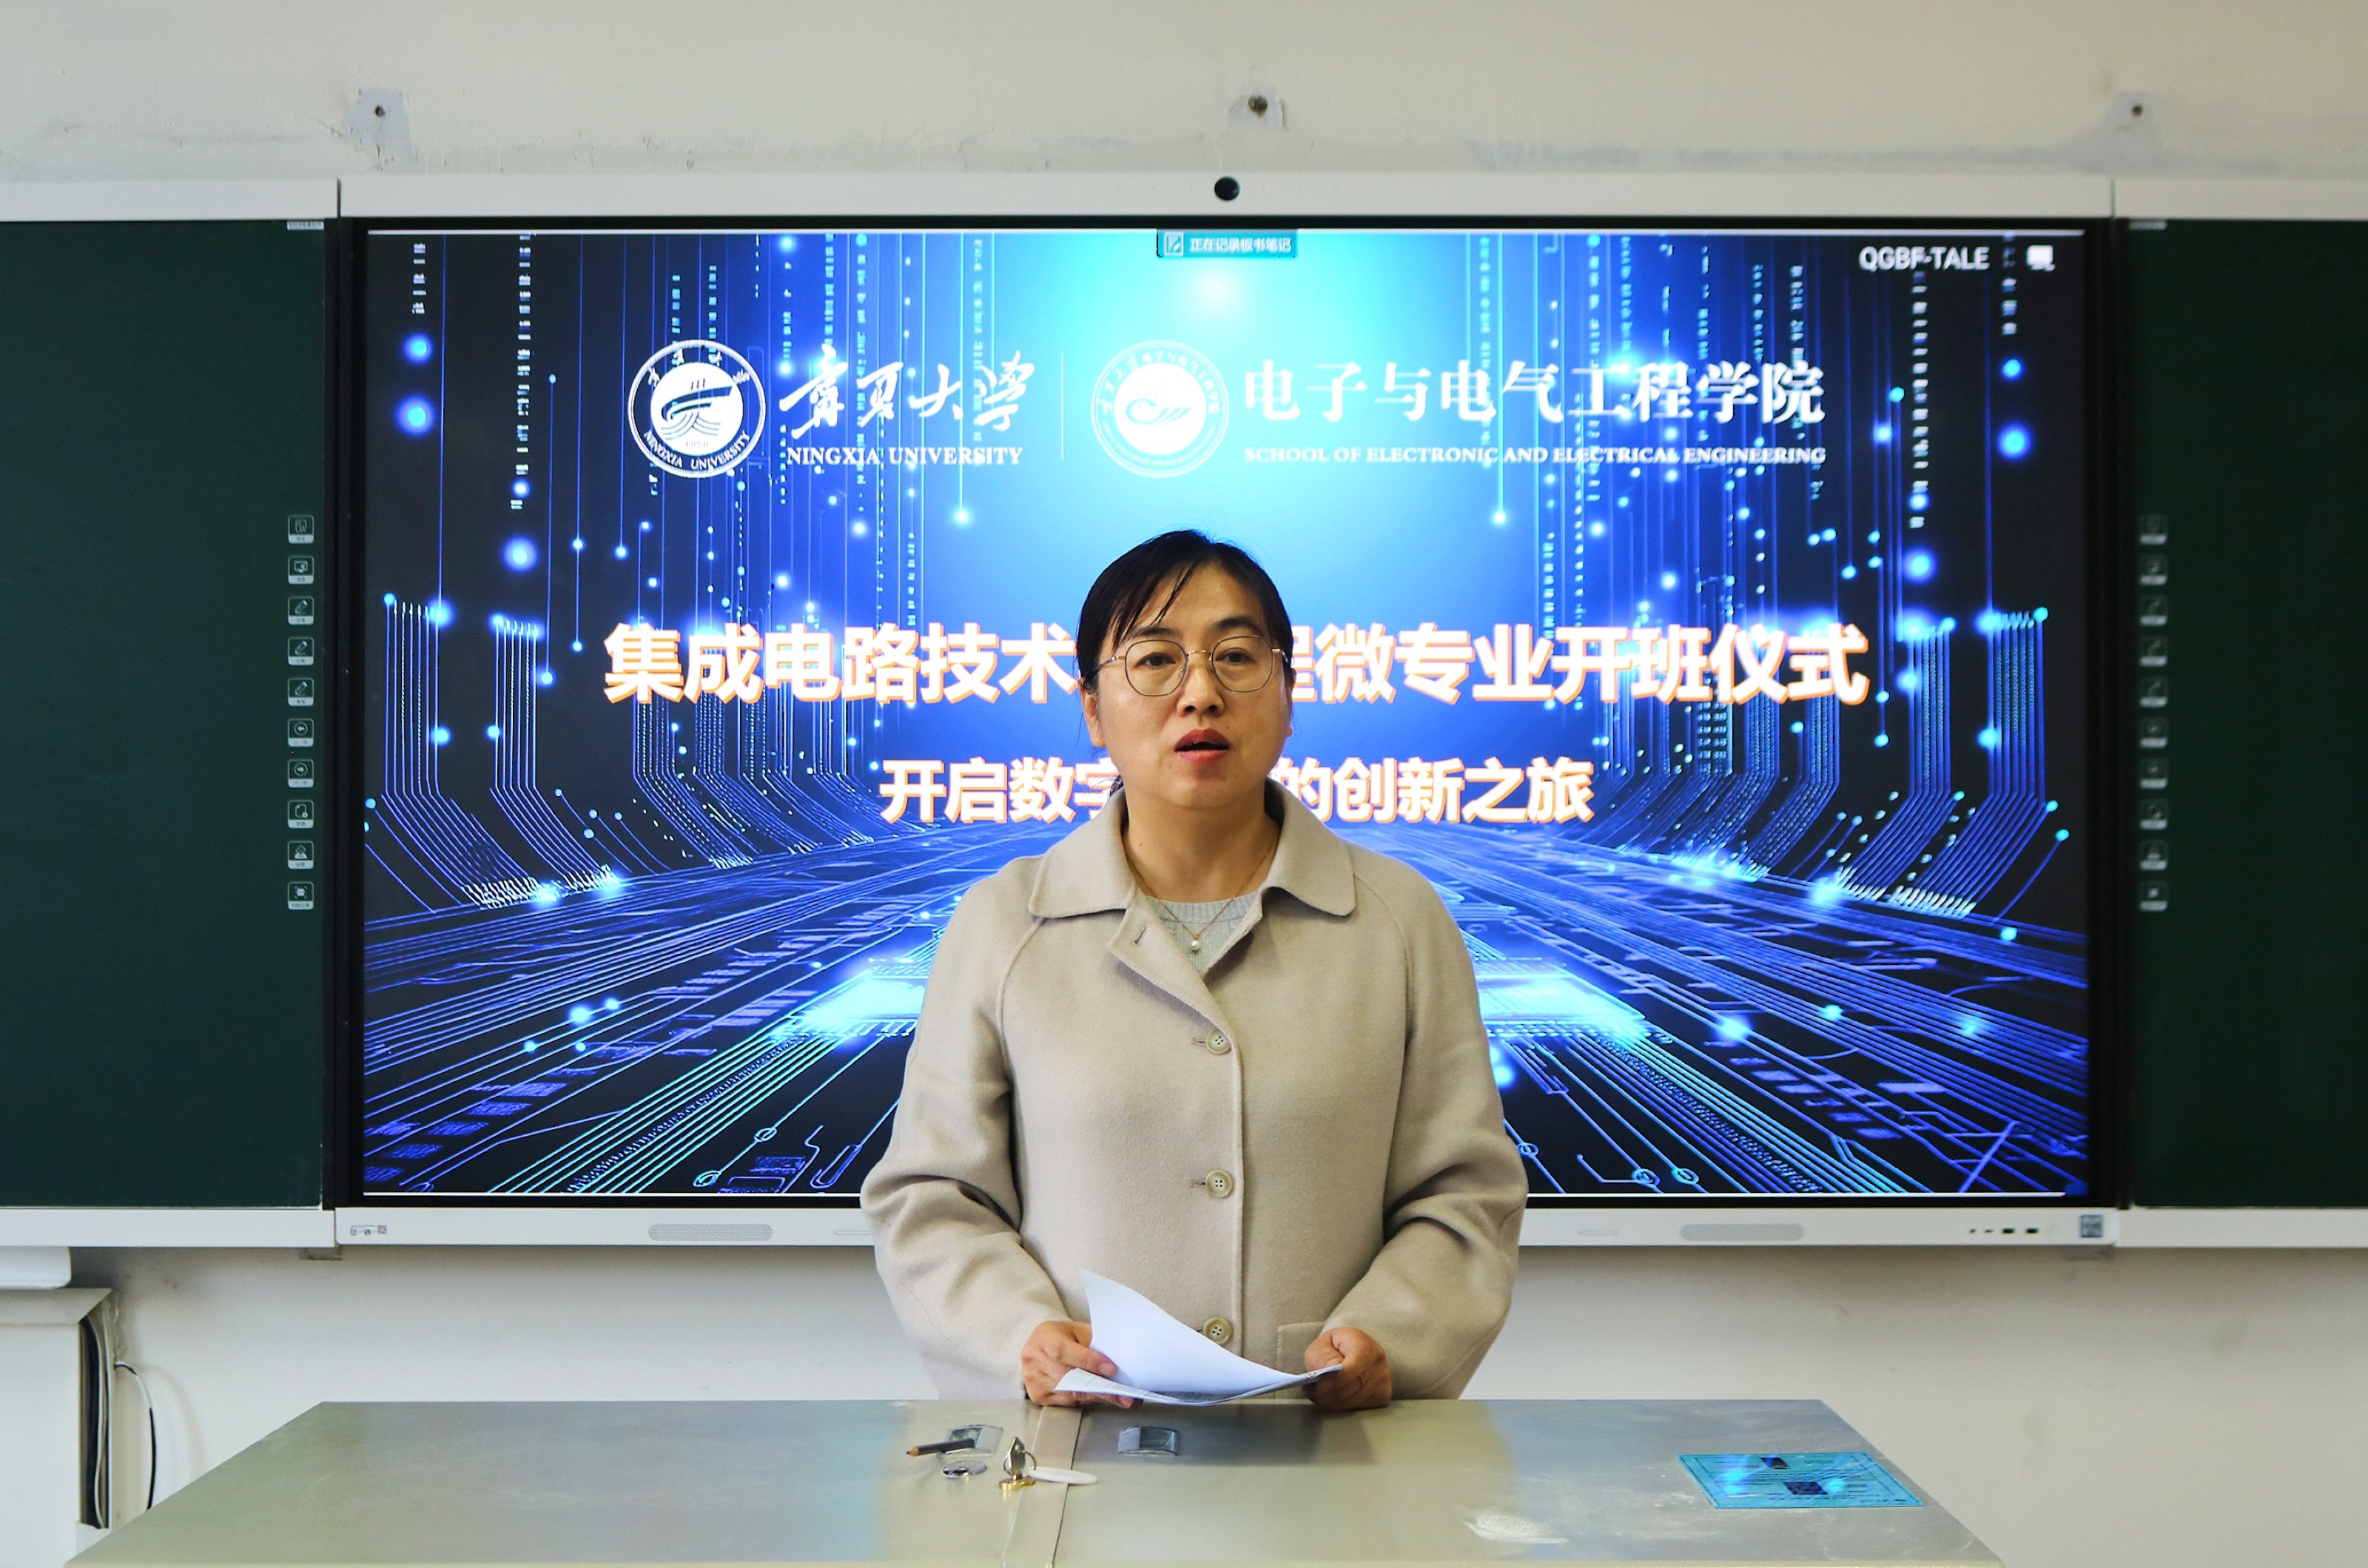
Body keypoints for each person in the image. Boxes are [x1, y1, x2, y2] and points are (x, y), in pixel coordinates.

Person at [861, 530, 1524, 1410]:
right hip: (1083, 1448)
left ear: (1287, 694)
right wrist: (1018, 1334)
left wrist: (1391, 1339)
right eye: (1154, 660)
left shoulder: (1398, 919)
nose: (1200, 692)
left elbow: (1464, 1191)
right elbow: (933, 1194)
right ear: (1092, 709)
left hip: (1331, 1448)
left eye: (1236, 656)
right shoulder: (1004, 923)